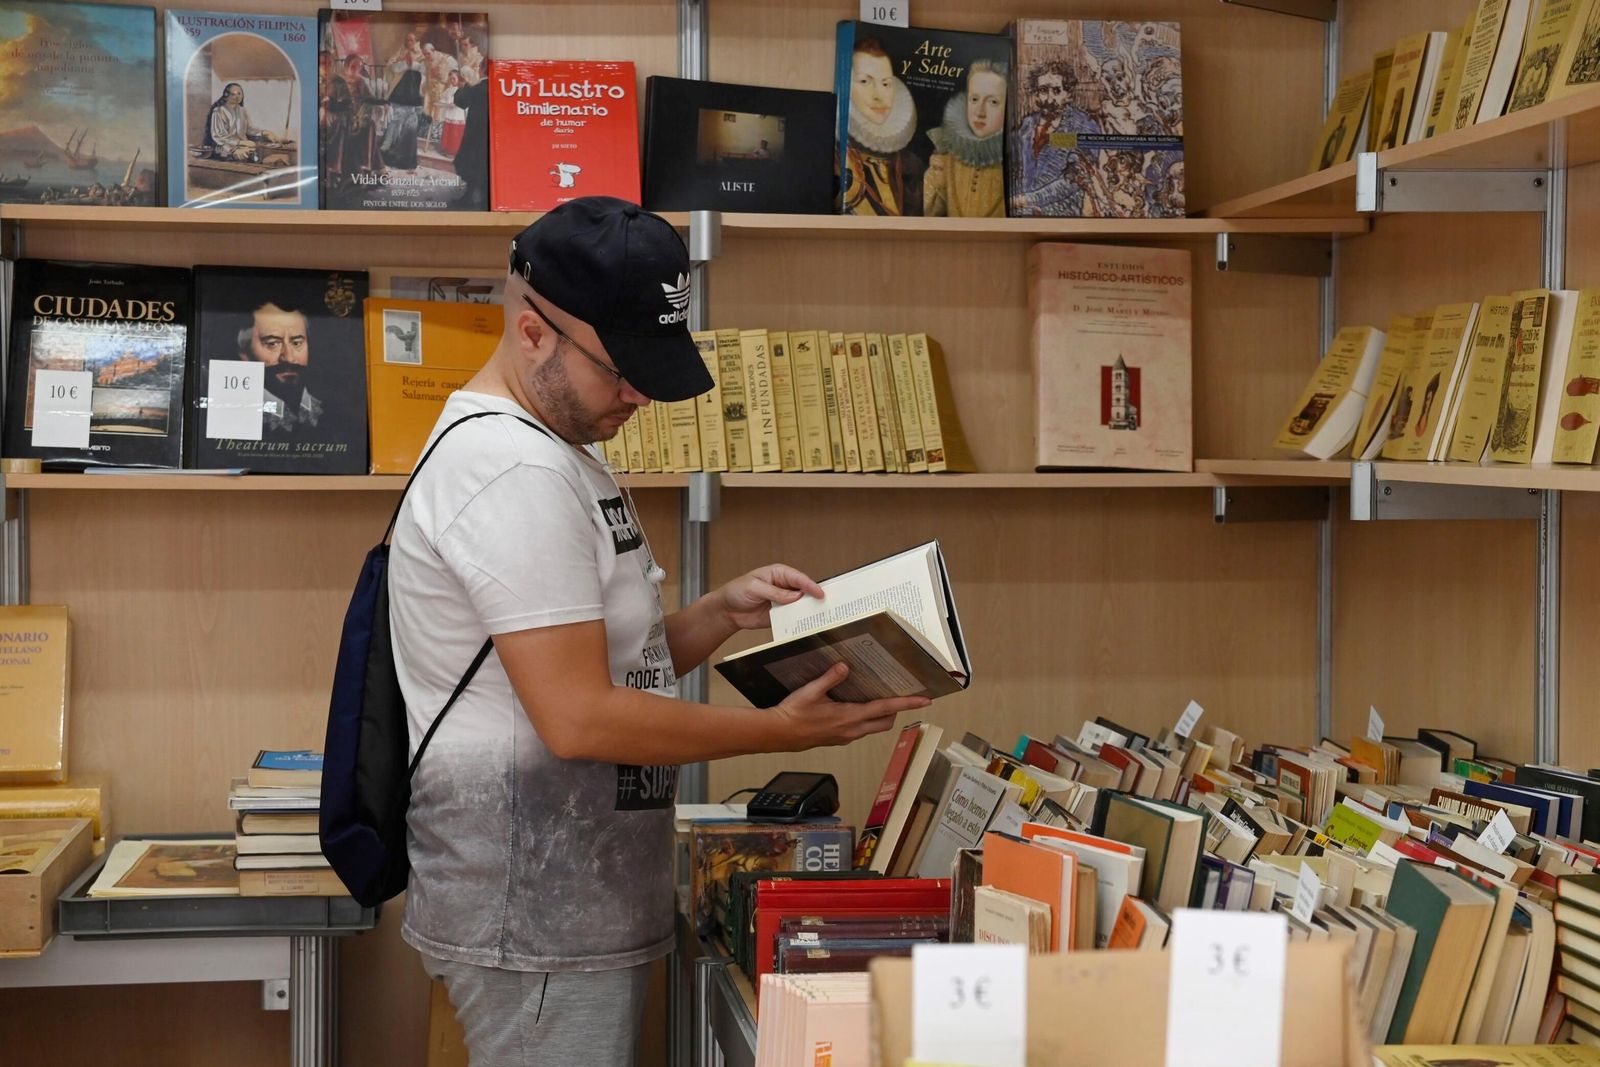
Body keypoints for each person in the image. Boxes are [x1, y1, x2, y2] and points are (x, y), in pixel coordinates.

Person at [387, 197, 926, 1066]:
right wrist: (775, 734)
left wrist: (717, 615)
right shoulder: (510, 469)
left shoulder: (559, 440)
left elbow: (597, 665)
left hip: (578, 905)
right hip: (536, 920)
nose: (638, 393)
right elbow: (579, 717)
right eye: (620, 368)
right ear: (533, 335)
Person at [841, 37, 923, 215]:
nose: (879, 95)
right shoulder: (835, 155)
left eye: (886, 84)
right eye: (864, 81)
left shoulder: (911, 164)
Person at [1011, 60, 1101, 217]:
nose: (1049, 98)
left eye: (1056, 91)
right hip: (1022, 213)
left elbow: (1073, 180)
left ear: (1068, 94)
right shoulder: (1027, 125)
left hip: (1061, 215)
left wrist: (1026, 200)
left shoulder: (1083, 126)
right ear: (1036, 93)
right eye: (1044, 90)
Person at [924, 58, 1007, 218]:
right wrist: (937, 180)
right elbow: (925, 219)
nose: (980, 112)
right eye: (974, 99)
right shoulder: (945, 156)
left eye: (993, 102)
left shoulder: (1016, 161)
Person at [237, 301, 319, 431]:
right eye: (273, 343)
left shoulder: (333, 408)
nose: (289, 358)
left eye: (297, 343)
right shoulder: (238, 419)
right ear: (245, 354)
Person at [203, 82, 280, 162]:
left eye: (239, 93)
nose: (237, 97)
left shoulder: (242, 110)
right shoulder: (218, 111)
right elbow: (219, 136)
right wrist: (240, 143)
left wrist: (265, 132)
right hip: (225, 148)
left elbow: (249, 129)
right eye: (233, 94)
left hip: (243, 146)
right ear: (226, 96)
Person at [381, 69, 426, 172]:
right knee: (406, 135)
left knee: (395, 135)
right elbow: (419, 109)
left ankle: (392, 159)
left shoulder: (396, 93)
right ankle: (405, 162)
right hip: (408, 117)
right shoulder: (416, 96)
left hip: (400, 116)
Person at [439, 71, 467, 158]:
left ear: (459, 79)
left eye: (454, 79)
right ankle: (446, 149)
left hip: (458, 114)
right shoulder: (448, 90)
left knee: (455, 133)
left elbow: (465, 102)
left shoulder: (462, 89)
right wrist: (441, 103)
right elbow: (443, 99)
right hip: (449, 113)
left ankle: (454, 152)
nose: (452, 81)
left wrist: (456, 104)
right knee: (448, 131)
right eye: (450, 79)